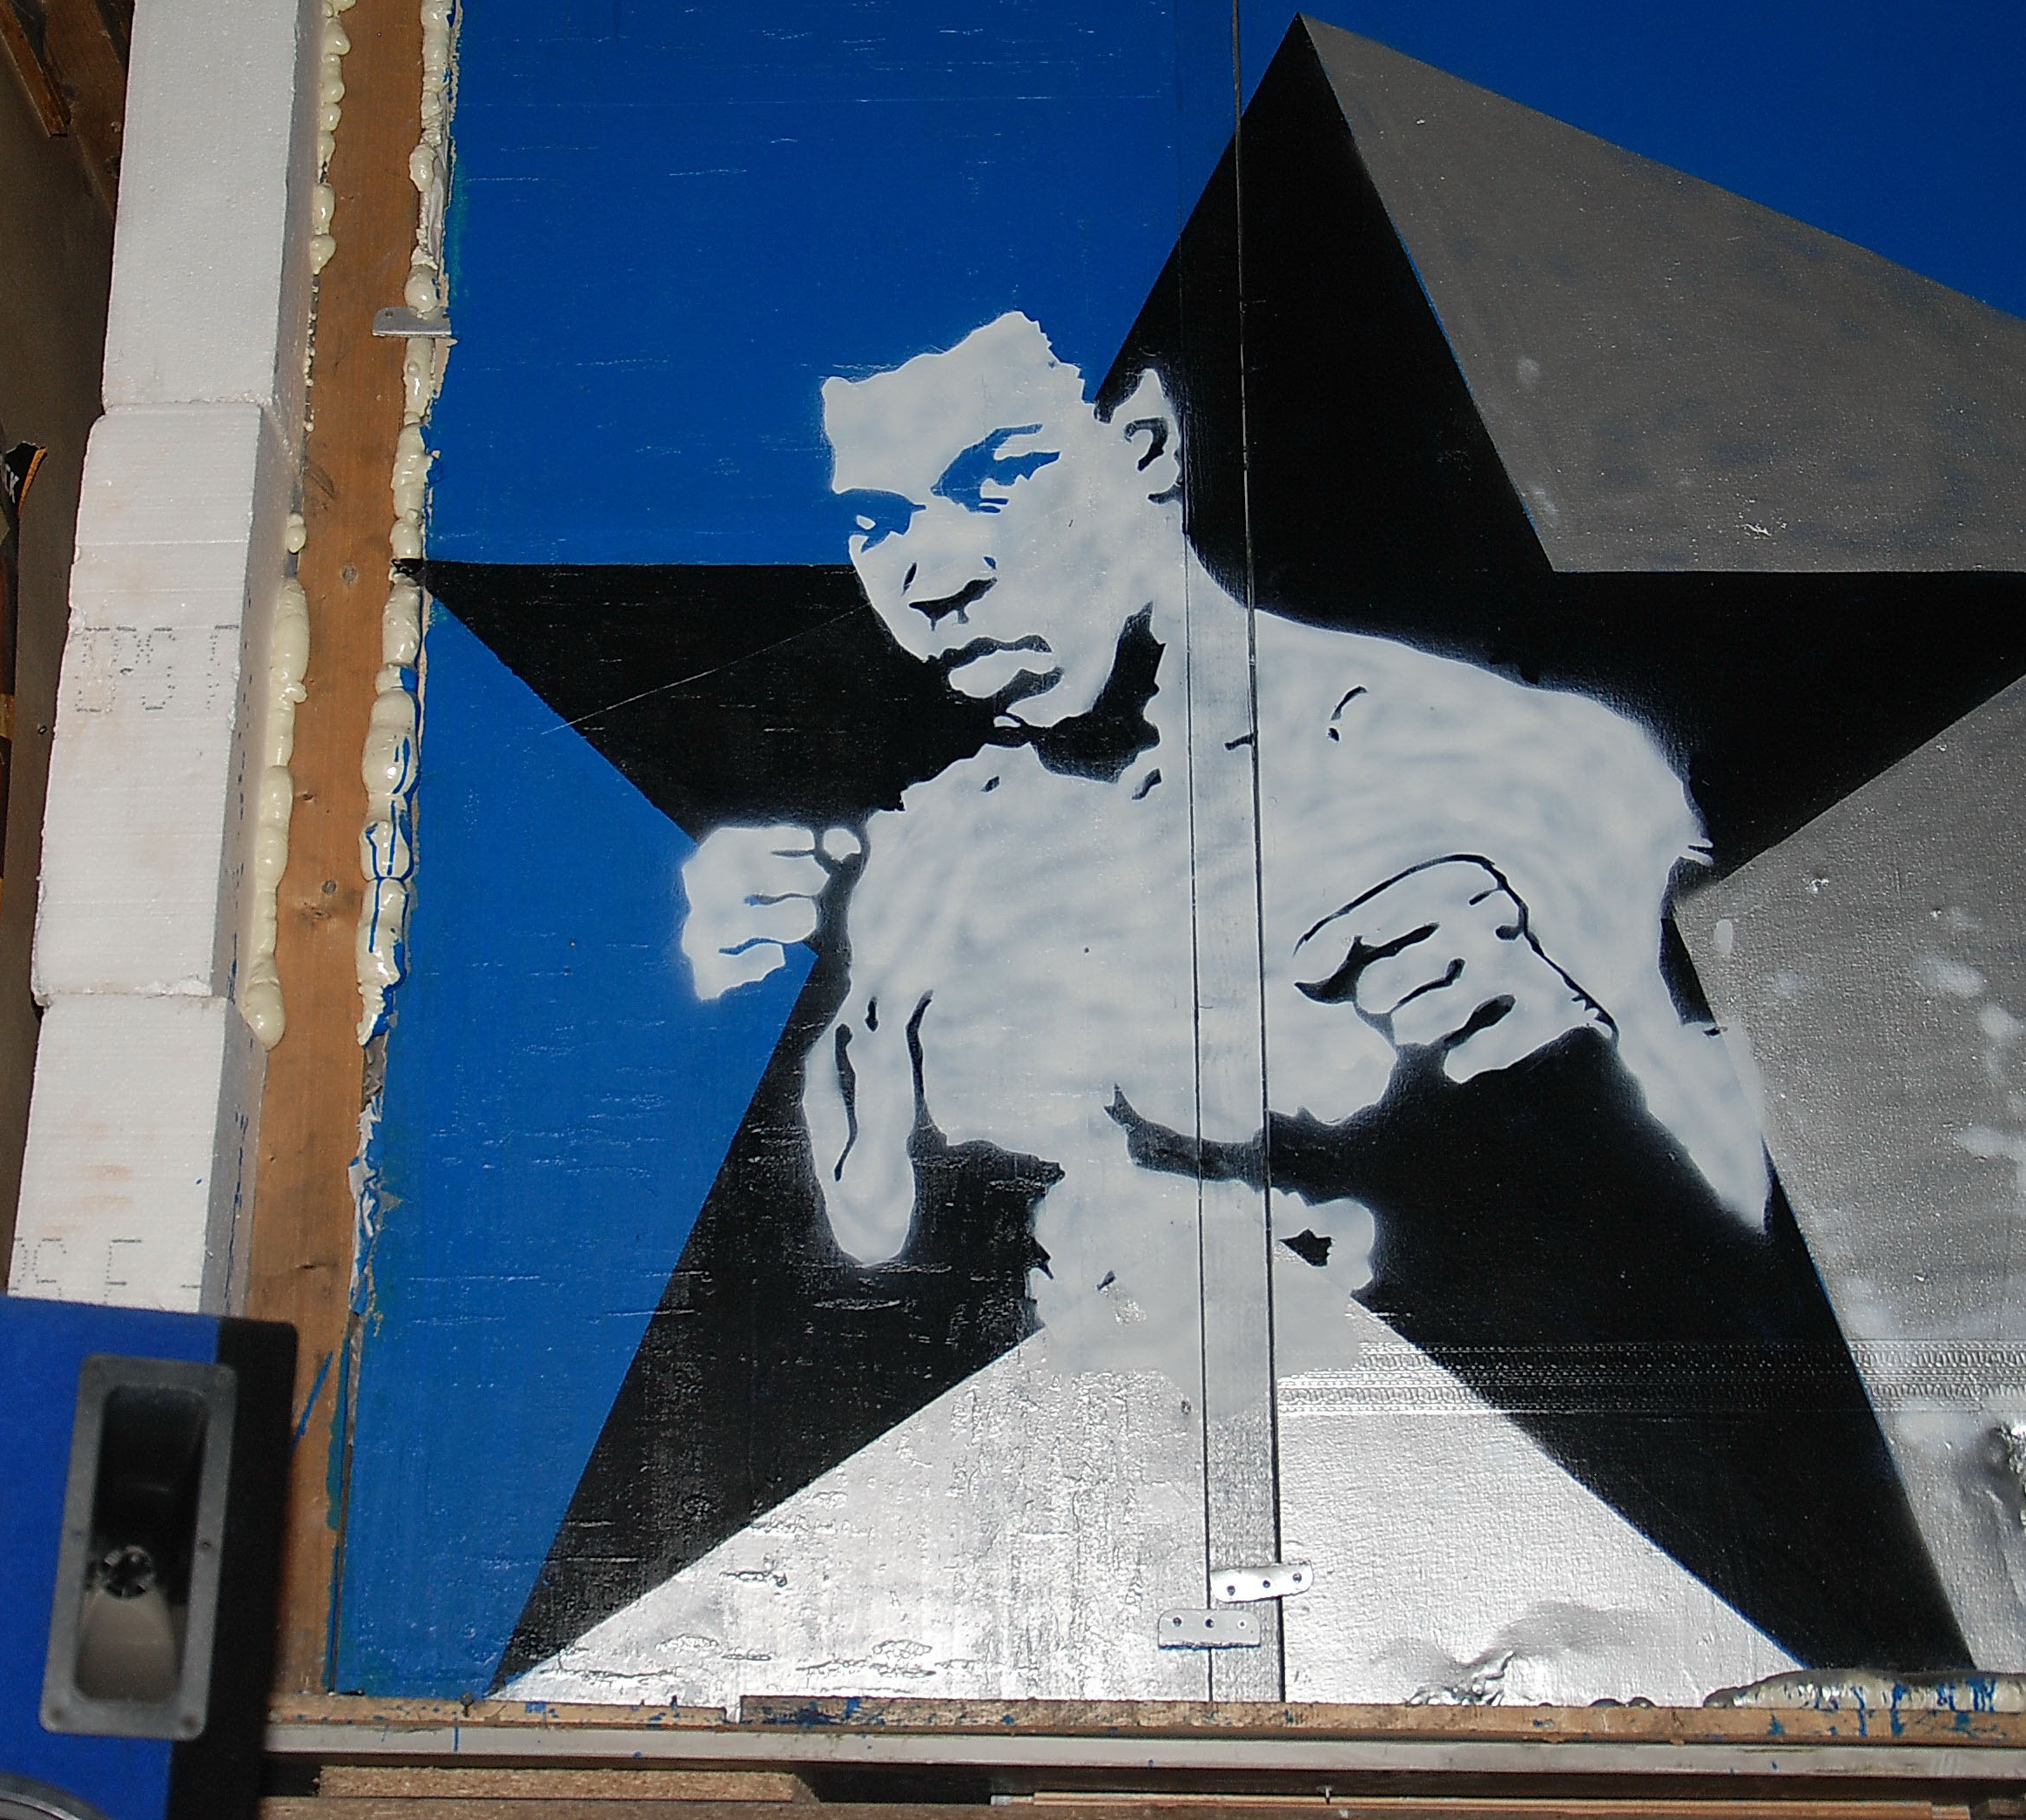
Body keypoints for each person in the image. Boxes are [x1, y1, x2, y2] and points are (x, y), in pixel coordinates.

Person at [678, 310, 1770, 1385]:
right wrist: (747, 1020)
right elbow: (844, 1280)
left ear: (1144, 448)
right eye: (875, 522)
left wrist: (1574, 1077)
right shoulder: (925, 865)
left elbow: (1771, 1229)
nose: (928, 578)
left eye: (993, 479)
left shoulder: (1499, 772)